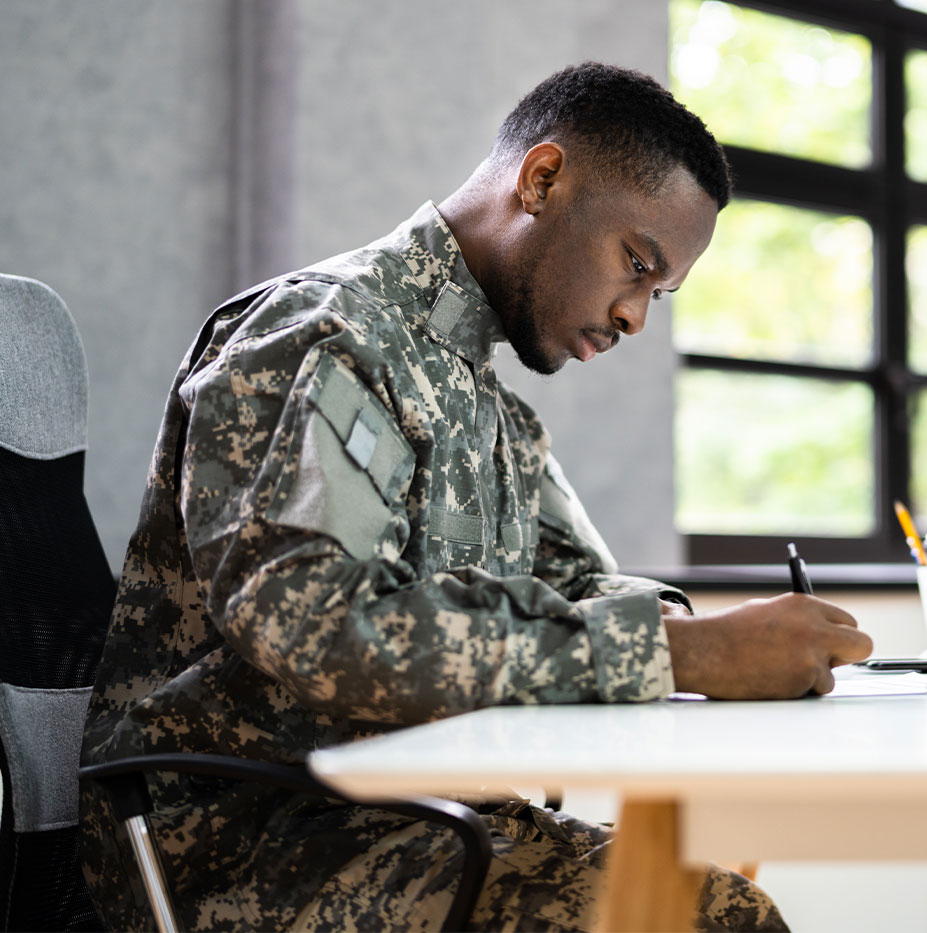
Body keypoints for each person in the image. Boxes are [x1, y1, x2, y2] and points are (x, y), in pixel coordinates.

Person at [79, 62, 872, 931]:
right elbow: (319, 625)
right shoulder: (327, 334)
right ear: (542, 180)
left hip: (417, 822)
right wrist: (680, 655)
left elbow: (582, 587)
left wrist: (715, 637)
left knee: (713, 903)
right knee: (708, 916)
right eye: (636, 265)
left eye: (660, 292)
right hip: (249, 851)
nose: (638, 316)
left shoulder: (491, 410)